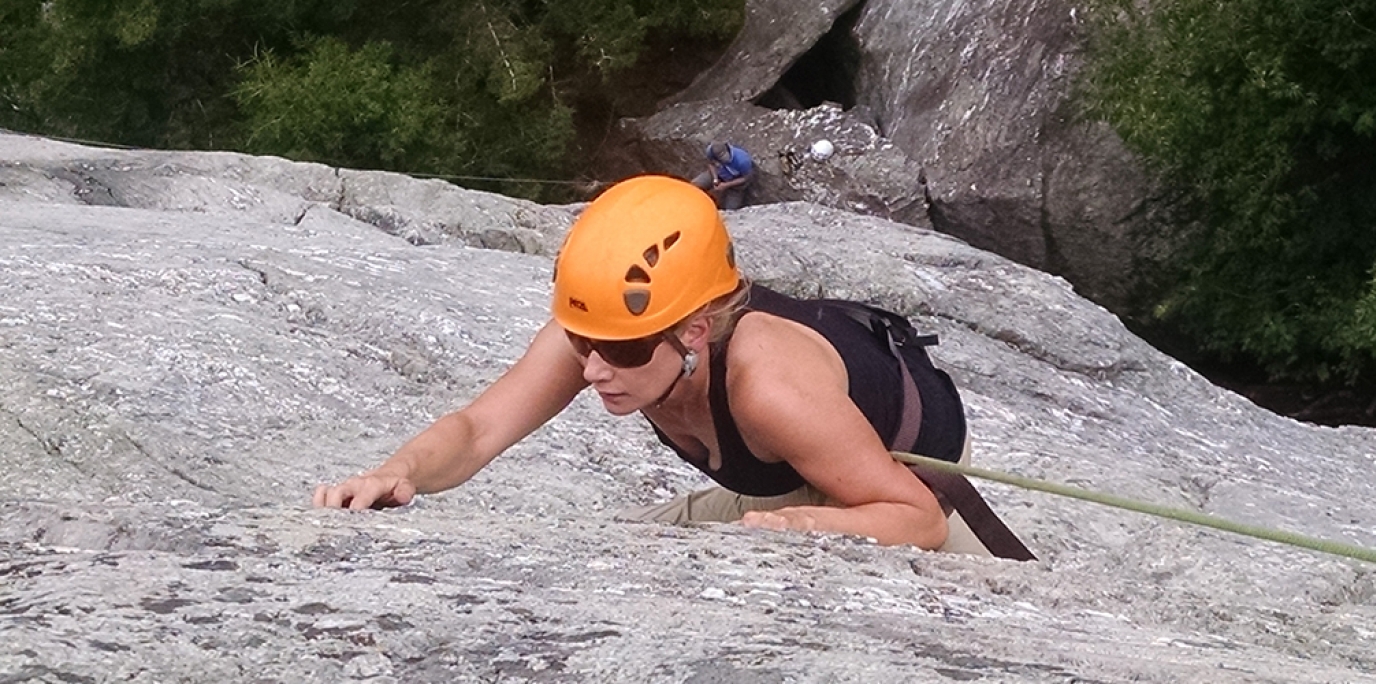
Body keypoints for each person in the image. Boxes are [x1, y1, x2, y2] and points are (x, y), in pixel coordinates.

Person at [312, 175, 1032, 559]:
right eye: (582, 341)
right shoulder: (612, 332)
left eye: (623, 351)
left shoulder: (768, 387)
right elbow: (475, 431)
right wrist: (397, 471)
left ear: (694, 330)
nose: (594, 369)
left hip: (913, 481)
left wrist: (808, 529)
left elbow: (913, 518)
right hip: (803, 466)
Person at [690, 141, 756, 210]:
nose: (723, 158)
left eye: (723, 155)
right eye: (720, 157)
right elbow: (711, 164)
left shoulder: (742, 160)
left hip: (736, 184)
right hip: (719, 174)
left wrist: (726, 185)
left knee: (730, 210)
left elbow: (745, 178)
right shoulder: (711, 151)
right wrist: (715, 179)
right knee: (694, 185)